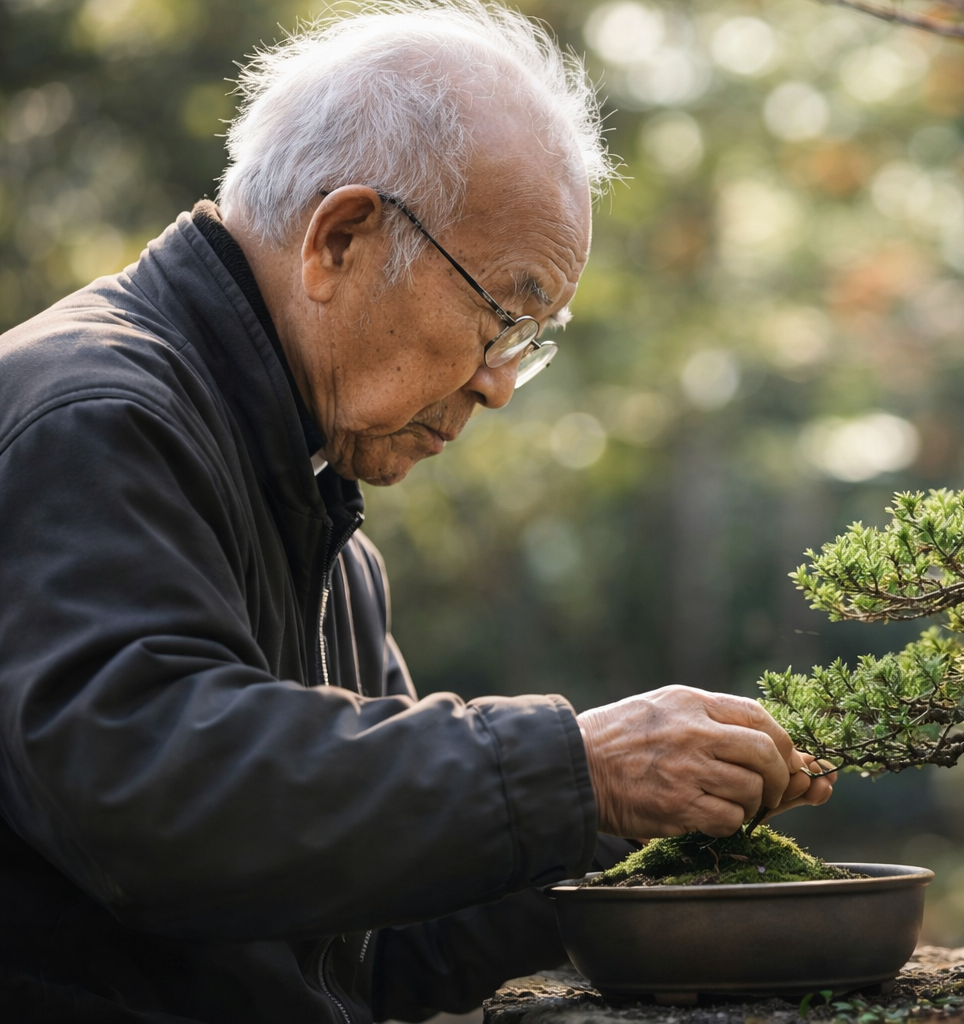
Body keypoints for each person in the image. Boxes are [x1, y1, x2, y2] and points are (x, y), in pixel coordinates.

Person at [0, 2, 834, 1020]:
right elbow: (150, 795)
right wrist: (579, 768)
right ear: (340, 239)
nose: (501, 386)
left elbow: (376, 944)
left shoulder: (325, 528)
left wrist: (641, 824)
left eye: (531, 338)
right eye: (501, 315)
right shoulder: (88, 415)